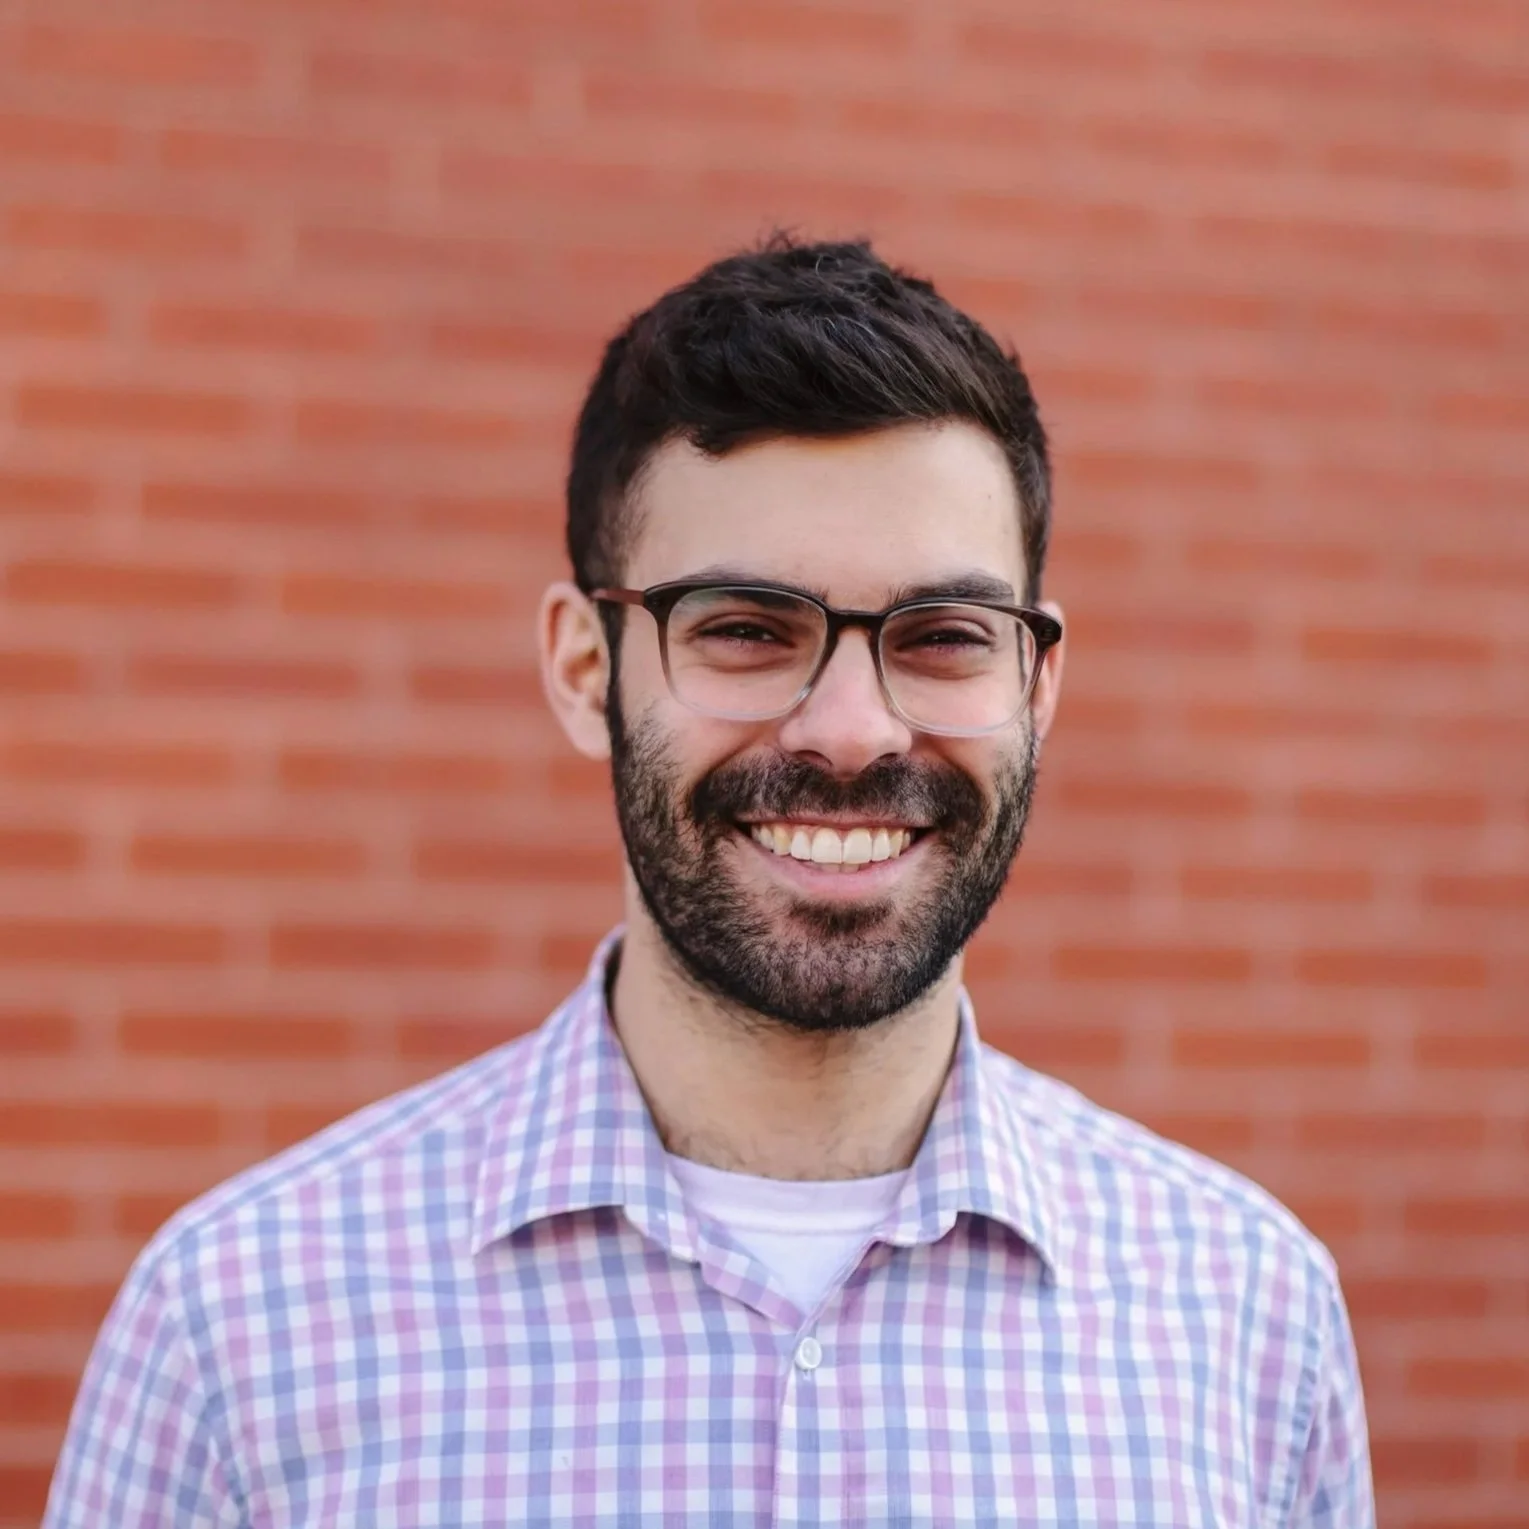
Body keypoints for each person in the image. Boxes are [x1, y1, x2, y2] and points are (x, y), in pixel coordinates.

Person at [45, 237, 1374, 1527]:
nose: (851, 730)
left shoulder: (1249, 1317)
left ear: (1038, 684)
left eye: (943, 637)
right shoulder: (238, 1325)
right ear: (583, 670)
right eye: (744, 628)